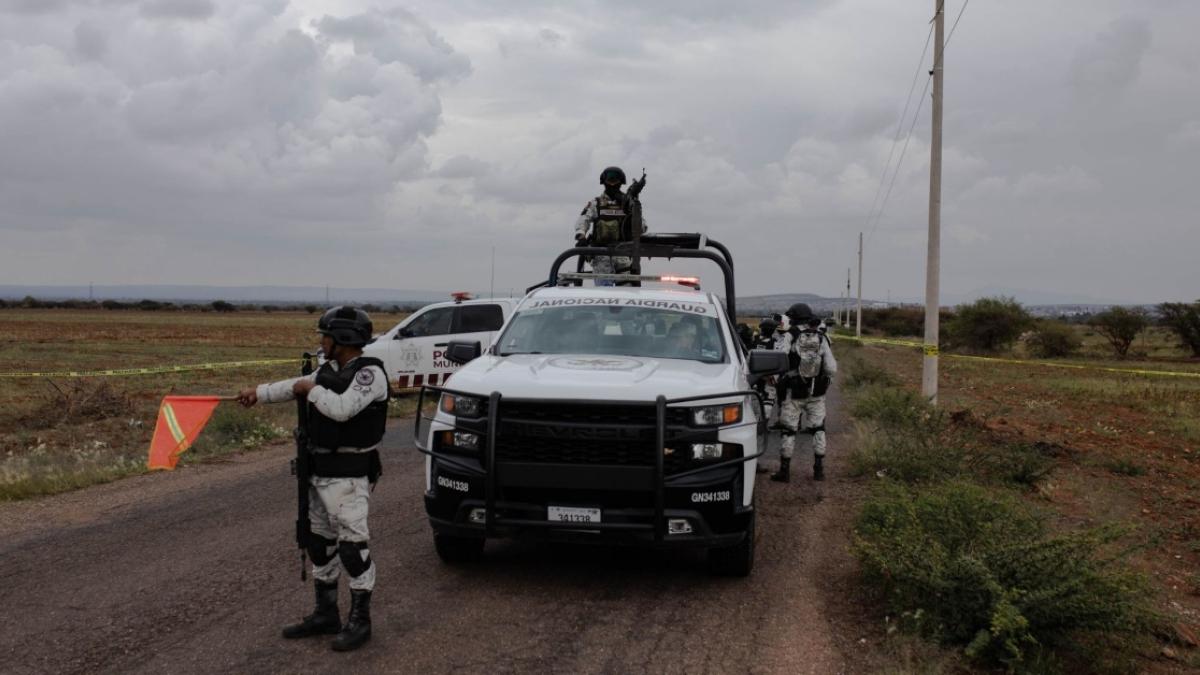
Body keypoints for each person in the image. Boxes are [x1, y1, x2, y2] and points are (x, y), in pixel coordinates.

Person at [236, 306, 389, 652]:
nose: (321, 341)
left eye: (326, 335)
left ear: (343, 339)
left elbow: (341, 408)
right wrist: (258, 393)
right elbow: (295, 387)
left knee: (352, 549)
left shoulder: (369, 375)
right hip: (318, 472)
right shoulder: (329, 369)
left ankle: (360, 620)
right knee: (318, 544)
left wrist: (310, 388)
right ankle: (326, 613)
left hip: (349, 476)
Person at [771, 302, 837, 482]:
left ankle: (784, 471)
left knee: (789, 430)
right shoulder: (822, 337)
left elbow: (779, 360)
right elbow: (831, 368)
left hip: (793, 393)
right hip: (817, 393)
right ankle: (819, 470)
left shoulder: (789, 336)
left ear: (792, 318)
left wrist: (779, 380)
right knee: (818, 428)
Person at [574, 166, 648, 286]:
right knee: (603, 293)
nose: (612, 183)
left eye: (615, 180)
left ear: (621, 182)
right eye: (610, 180)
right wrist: (581, 235)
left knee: (627, 293)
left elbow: (642, 227)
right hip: (601, 255)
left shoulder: (629, 204)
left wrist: (632, 215)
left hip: (623, 254)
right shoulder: (596, 203)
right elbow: (584, 219)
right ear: (604, 182)